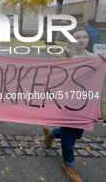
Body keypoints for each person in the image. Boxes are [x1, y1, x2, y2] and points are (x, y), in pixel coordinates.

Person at [43, 27, 103, 182]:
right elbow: (57, 73)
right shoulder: (61, 54)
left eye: (84, 37)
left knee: (77, 134)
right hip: (68, 102)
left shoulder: (94, 56)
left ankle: (52, 134)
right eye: (77, 37)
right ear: (70, 40)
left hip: (85, 101)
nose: (81, 40)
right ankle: (69, 163)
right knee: (70, 135)